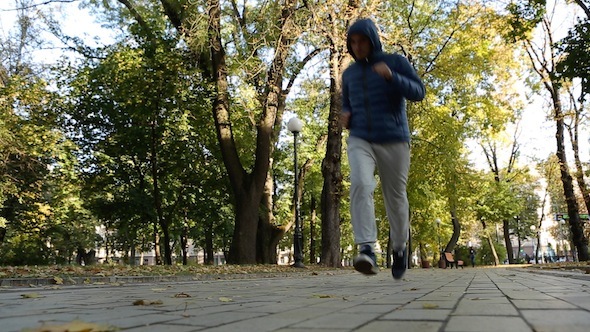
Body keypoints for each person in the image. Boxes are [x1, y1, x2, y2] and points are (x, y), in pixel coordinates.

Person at [341, 18, 425, 280]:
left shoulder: (395, 62)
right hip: (361, 137)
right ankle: (367, 248)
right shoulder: (349, 74)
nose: (357, 47)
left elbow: (418, 92)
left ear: (372, 40)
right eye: (353, 42)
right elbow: (346, 102)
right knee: (361, 184)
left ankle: (399, 248)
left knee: (395, 196)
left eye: (362, 41)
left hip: (394, 138)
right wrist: (345, 113)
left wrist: (392, 77)